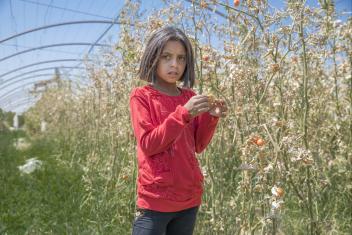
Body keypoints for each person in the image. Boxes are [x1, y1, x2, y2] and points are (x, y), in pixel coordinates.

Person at [129, 26, 227, 235]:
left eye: (181, 58)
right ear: (153, 57)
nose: (175, 64)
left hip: (189, 199)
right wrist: (183, 114)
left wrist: (212, 117)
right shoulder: (142, 96)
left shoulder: (188, 97)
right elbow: (148, 144)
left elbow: (198, 145)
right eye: (167, 57)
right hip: (155, 201)